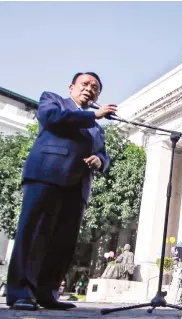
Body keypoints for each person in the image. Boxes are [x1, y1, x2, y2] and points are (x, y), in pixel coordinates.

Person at [6, 72, 115, 311]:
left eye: (95, 87)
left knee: (63, 242)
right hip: (47, 175)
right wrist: (92, 114)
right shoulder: (53, 100)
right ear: (71, 87)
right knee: (34, 234)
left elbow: (104, 154)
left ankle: (48, 293)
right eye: (85, 84)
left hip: (78, 187)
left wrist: (100, 160)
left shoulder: (97, 129)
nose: (89, 89)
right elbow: (52, 118)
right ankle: (20, 292)